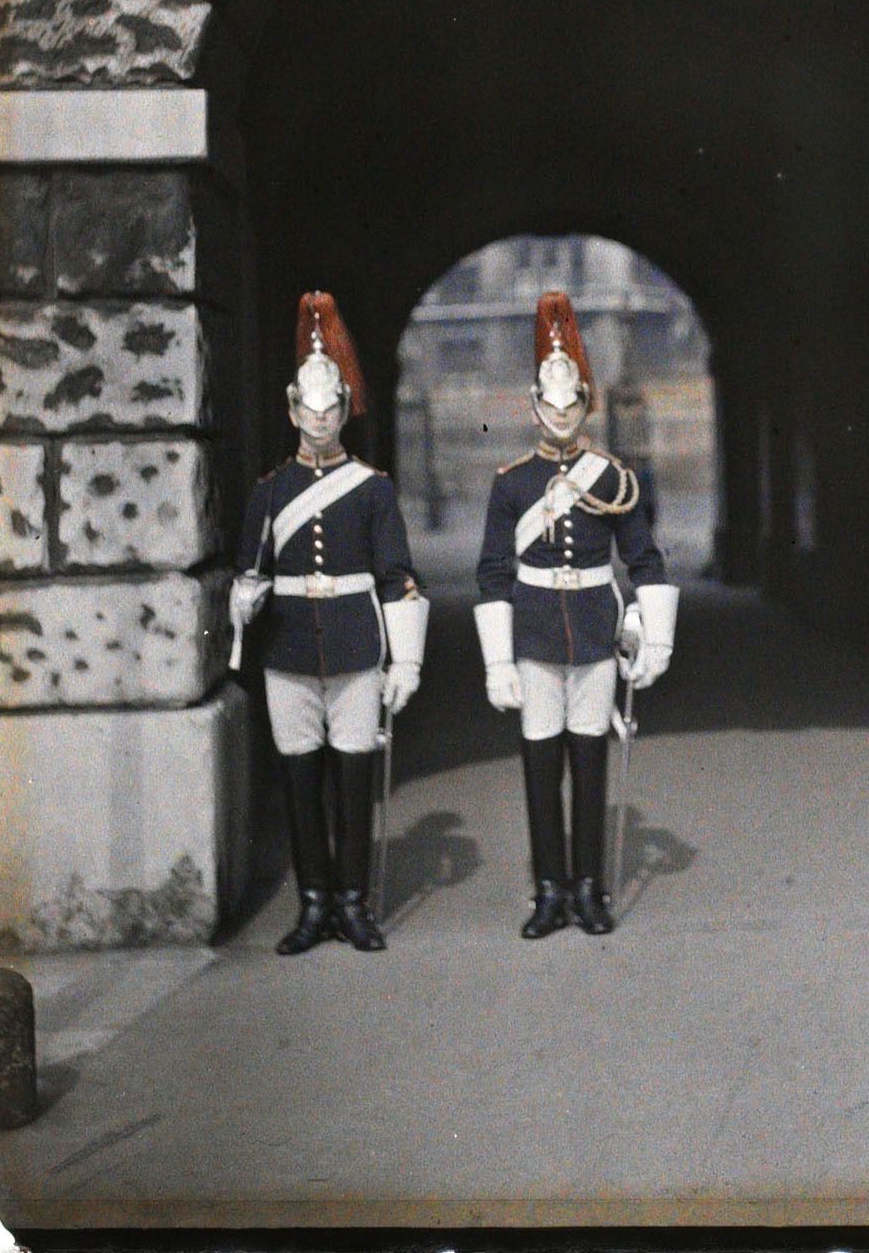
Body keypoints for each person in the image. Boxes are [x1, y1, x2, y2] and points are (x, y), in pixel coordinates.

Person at [473, 291, 678, 939]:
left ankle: (588, 889)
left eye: (571, 404)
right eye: (549, 404)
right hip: (534, 633)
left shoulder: (611, 478)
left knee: (588, 764)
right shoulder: (511, 485)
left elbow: (643, 560)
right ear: (534, 407)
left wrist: (653, 637)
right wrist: (498, 661)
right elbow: (493, 574)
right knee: (540, 768)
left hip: (592, 630)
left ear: (584, 406)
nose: (560, 415)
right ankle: (547, 891)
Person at [231, 292, 429, 955]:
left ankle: (353, 901)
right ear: (292, 411)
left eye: (330, 408)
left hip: (353, 645)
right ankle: (312, 902)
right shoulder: (270, 490)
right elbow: (250, 567)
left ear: (344, 410)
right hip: (288, 649)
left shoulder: (372, 489)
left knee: (352, 784)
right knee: (298, 784)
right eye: (307, 410)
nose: (318, 421)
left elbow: (396, 575)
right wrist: (244, 599)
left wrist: (405, 661)